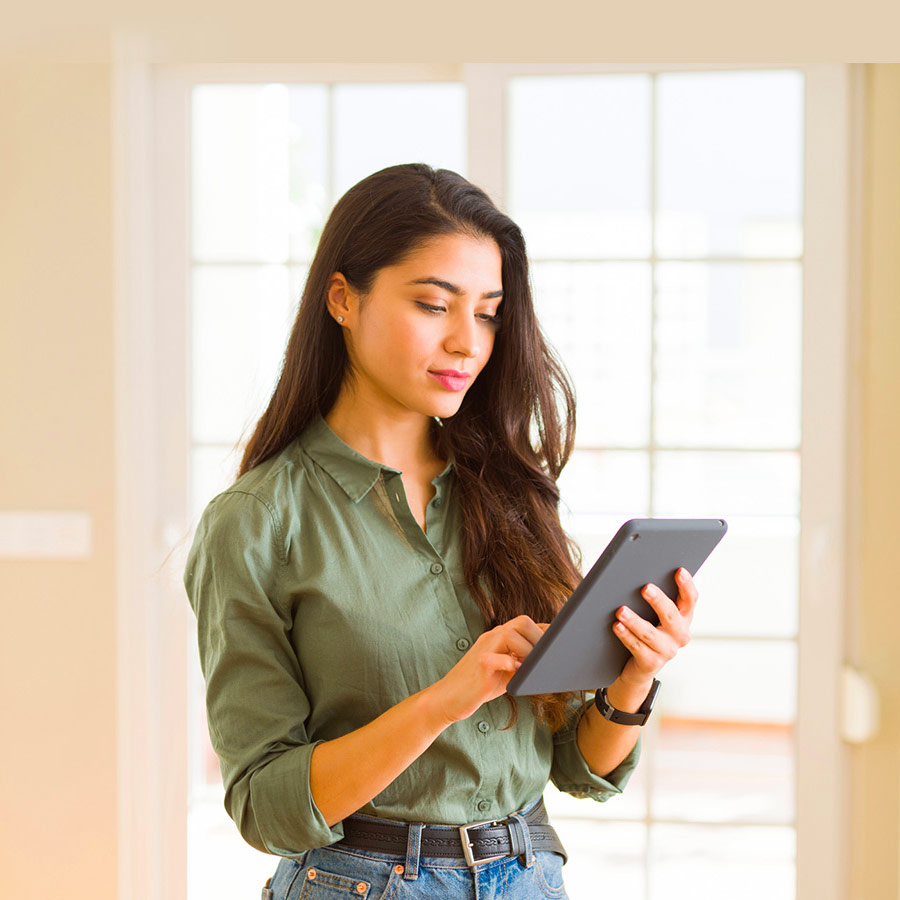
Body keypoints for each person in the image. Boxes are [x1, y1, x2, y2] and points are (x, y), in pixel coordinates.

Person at [183, 162, 698, 900]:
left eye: (488, 312)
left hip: (530, 871)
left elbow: (578, 766)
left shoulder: (510, 496)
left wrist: (634, 678)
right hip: (359, 882)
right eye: (433, 303)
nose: (468, 342)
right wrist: (442, 702)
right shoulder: (257, 523)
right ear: (342, 300)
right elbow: (266, 806)